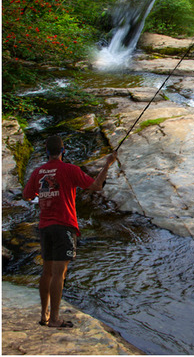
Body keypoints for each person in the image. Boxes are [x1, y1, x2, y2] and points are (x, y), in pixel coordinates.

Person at [23, 133, 117, 329]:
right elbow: (96, 185)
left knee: (46, 272)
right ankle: (55, 319)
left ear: (46, 152)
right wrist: (107, 164)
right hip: (64, 225)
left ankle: (44, 315)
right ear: (63, 151)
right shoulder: (70, 170)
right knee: (59, 273)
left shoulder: (38, 172)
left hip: (44, 227)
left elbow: (27, 195)